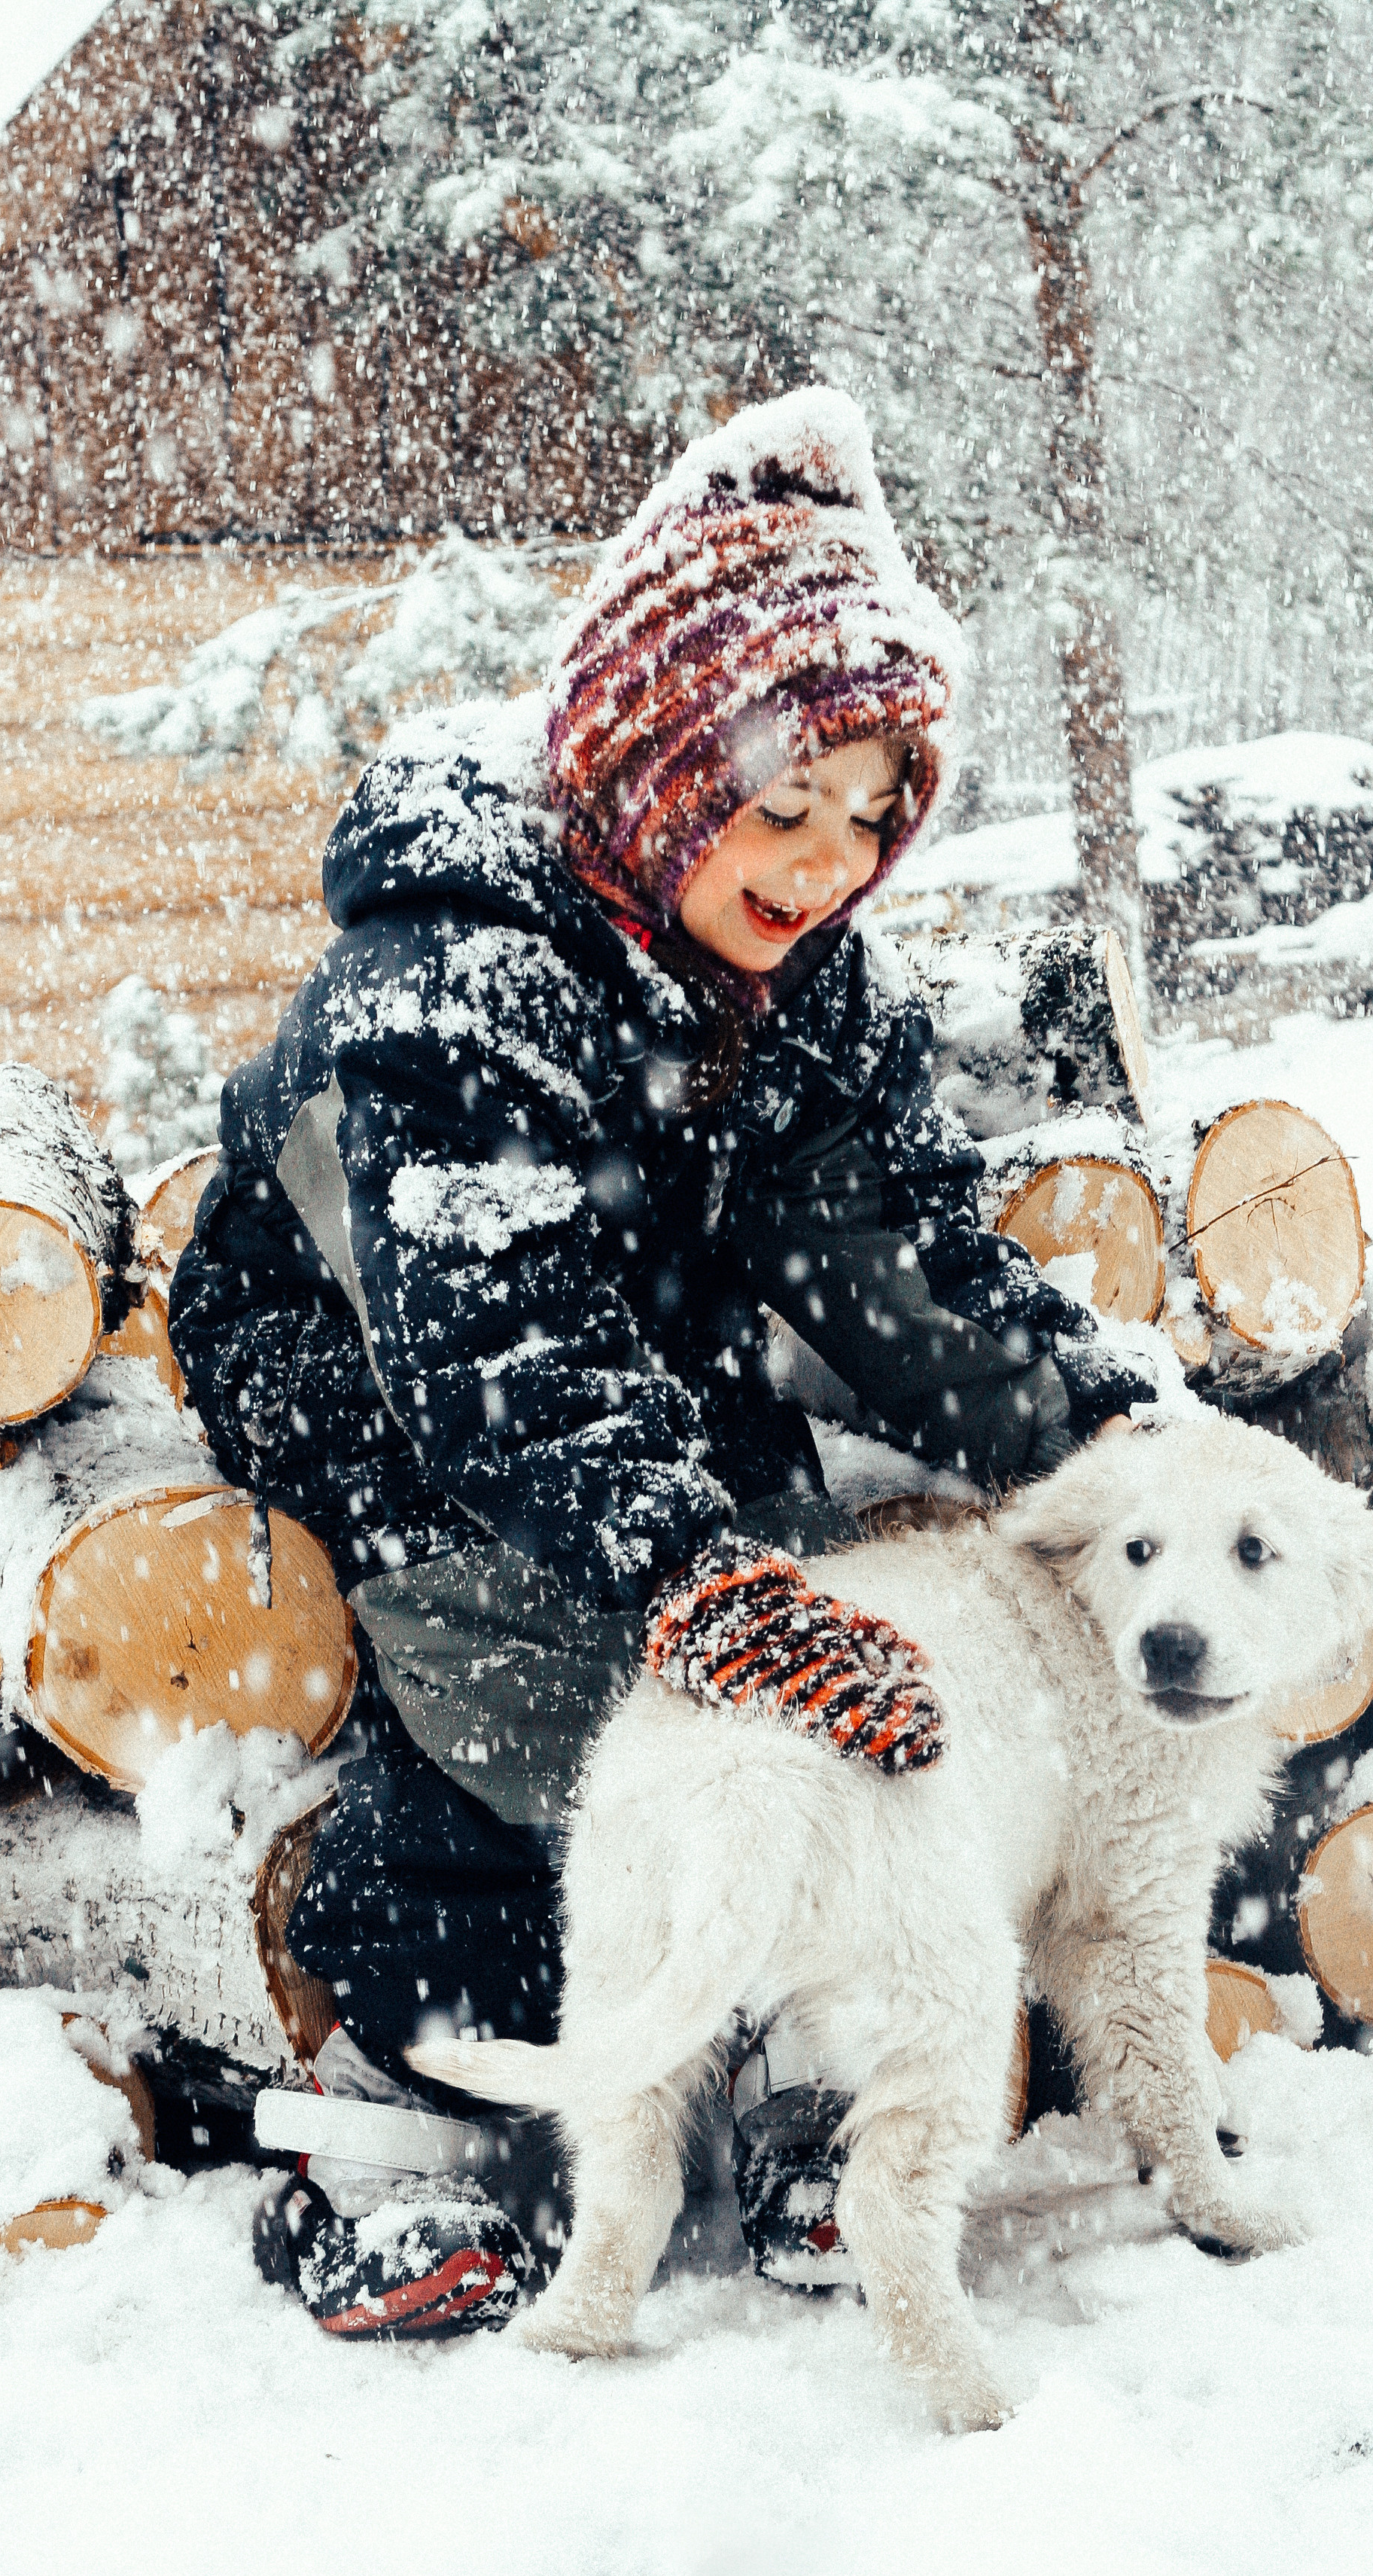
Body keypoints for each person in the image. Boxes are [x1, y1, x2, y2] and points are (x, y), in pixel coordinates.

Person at [171, 387, 1156, 2333]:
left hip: (636, 1337)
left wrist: (1110, 1442)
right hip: (372, 1357)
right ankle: (404, 2090)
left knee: (818, 1588)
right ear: (660, 766)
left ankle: (814, 2061)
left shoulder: (804, 983)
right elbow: (488, 1335)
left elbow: (894, 1261)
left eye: (872, 814)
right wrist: (687, 1577)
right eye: (784, 806)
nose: (824, 861)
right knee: (519, 1656)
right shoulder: (450, 966)